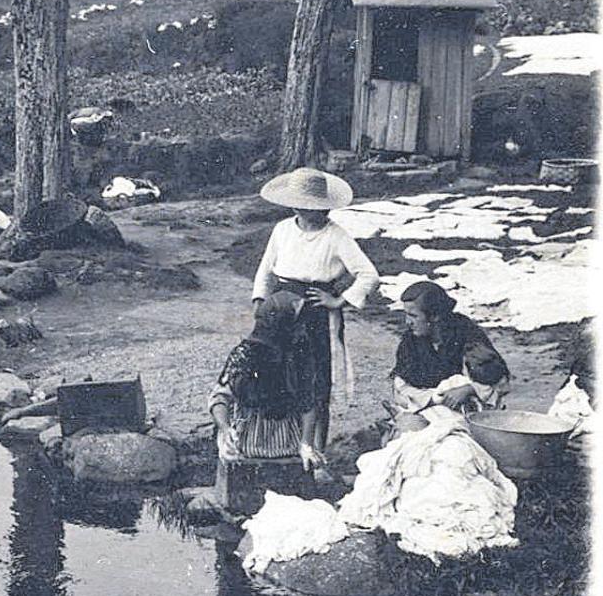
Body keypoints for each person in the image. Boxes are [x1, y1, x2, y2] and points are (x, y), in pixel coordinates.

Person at [252, 167, 380, 452]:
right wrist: (260, 301)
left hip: (314, 310)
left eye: (317, 207)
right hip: (280, 308)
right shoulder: (283, 229)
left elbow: (369, 275)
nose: (311, 211)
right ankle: (277, 442)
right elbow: (265, 270)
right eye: (303, 205)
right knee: (275, 372)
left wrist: (337, 300)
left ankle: (315, 449)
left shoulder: (336, 236)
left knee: (315, 381)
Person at [208, 291, 326, 470]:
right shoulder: (246, 354)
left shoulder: (299, 353)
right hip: (246, 437)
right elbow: (219, 398)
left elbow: (308, 402)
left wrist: (306, 443)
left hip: (287, 439)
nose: (302, 330)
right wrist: (225, 430)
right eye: (296, 325)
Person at [390, 281, 510, 418]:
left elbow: (499, 380)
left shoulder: (466, 334)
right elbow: (401, 387)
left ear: (434, 316)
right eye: (406, 315)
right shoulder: (410, 341)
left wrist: (470, 389)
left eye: (414, 316)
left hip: (469, 411)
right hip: (427, 407)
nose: (408, 322)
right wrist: (435, 398)